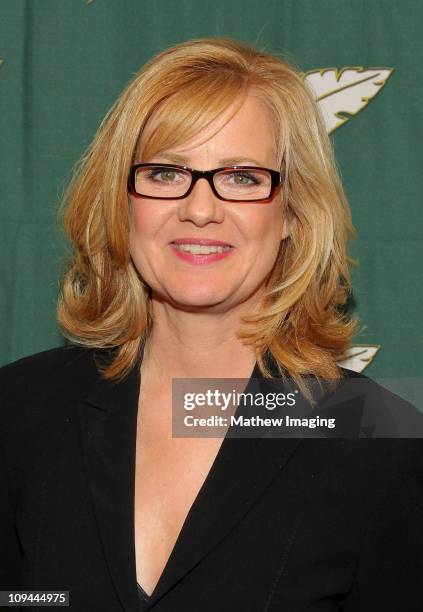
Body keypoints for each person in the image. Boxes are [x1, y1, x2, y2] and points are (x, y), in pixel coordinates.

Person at [1, 37, 422, 612]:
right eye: (167, 172)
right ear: (123, 203)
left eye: (243, 177)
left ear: (293, 214)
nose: (200, 208)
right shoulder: (20, 411)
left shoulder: (377, 435)